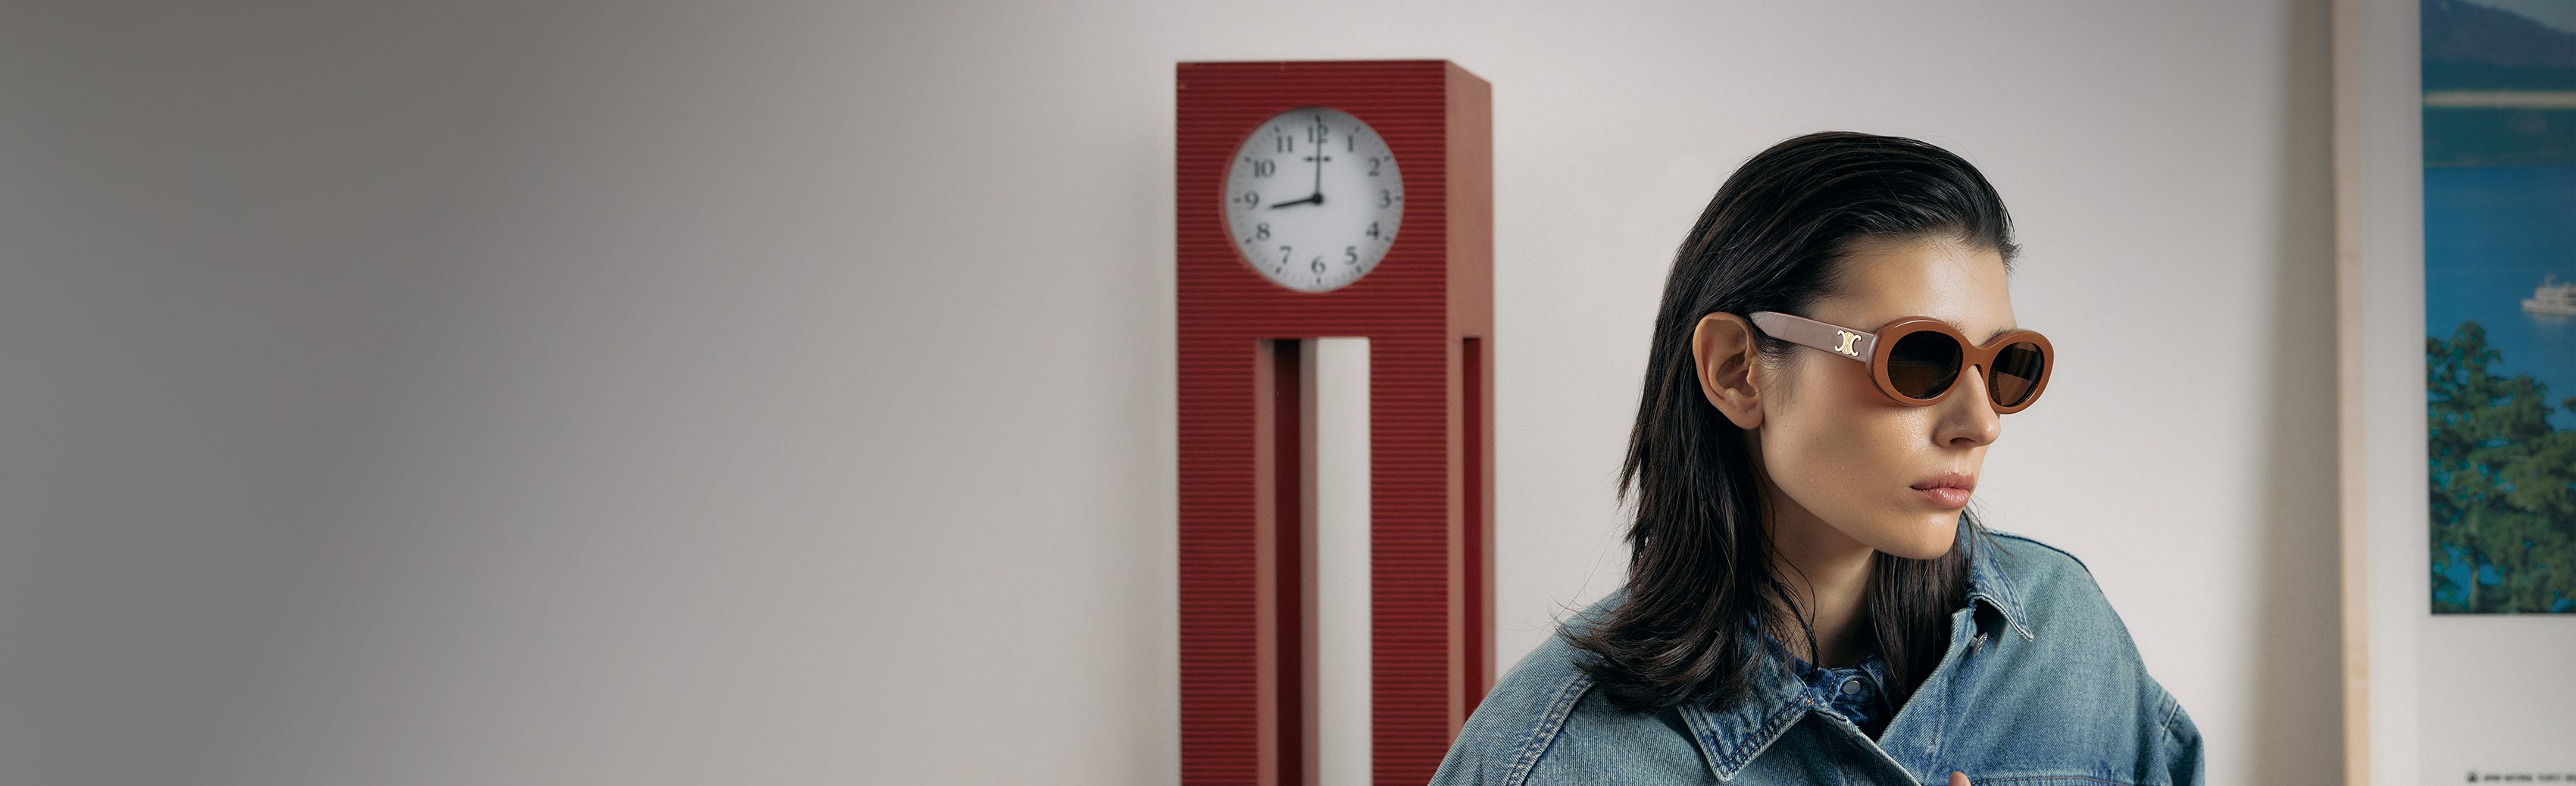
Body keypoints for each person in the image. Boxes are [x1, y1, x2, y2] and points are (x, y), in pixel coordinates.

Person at [1425, 131, 2203, 785]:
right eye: (1920, 359)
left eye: (2006, 364)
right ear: (1737, 369)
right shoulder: (1555, 755)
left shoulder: (2062, 635)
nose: (1980, 422)